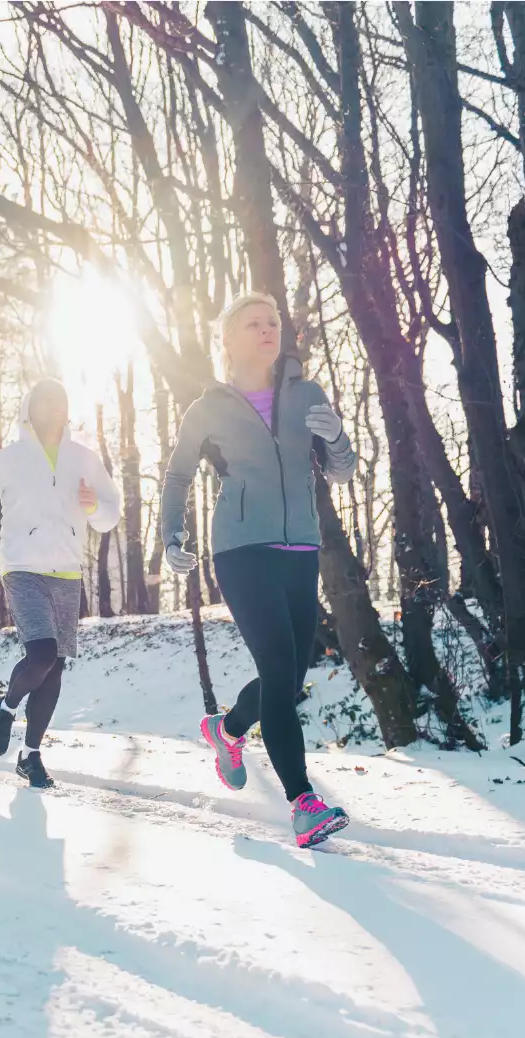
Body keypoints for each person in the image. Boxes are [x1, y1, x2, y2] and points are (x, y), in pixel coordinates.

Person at [158, 293, 356, 847]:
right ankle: (303, 803)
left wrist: (337, 437)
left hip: (301, 548)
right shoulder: (208, 409)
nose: (269, 330)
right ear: (228, 339)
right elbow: (177, 475)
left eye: (273, 322)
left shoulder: (307, 395)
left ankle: (227, 731)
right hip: (241, 548)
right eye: (254, 324)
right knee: (275, 662)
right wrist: (171, 534)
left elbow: (341, 471)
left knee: (288, 676)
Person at [0, 378, 122, 788]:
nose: (53, 409)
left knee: (54, 669)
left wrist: (94, 507)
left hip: (67, 572)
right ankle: (6, 706)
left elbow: (110, 513)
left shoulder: (83, 458)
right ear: (29, 410)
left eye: (60, 402)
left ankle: (30, 755)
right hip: (22, 570)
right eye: (44, 402)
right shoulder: (9, 459)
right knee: (42, 655)